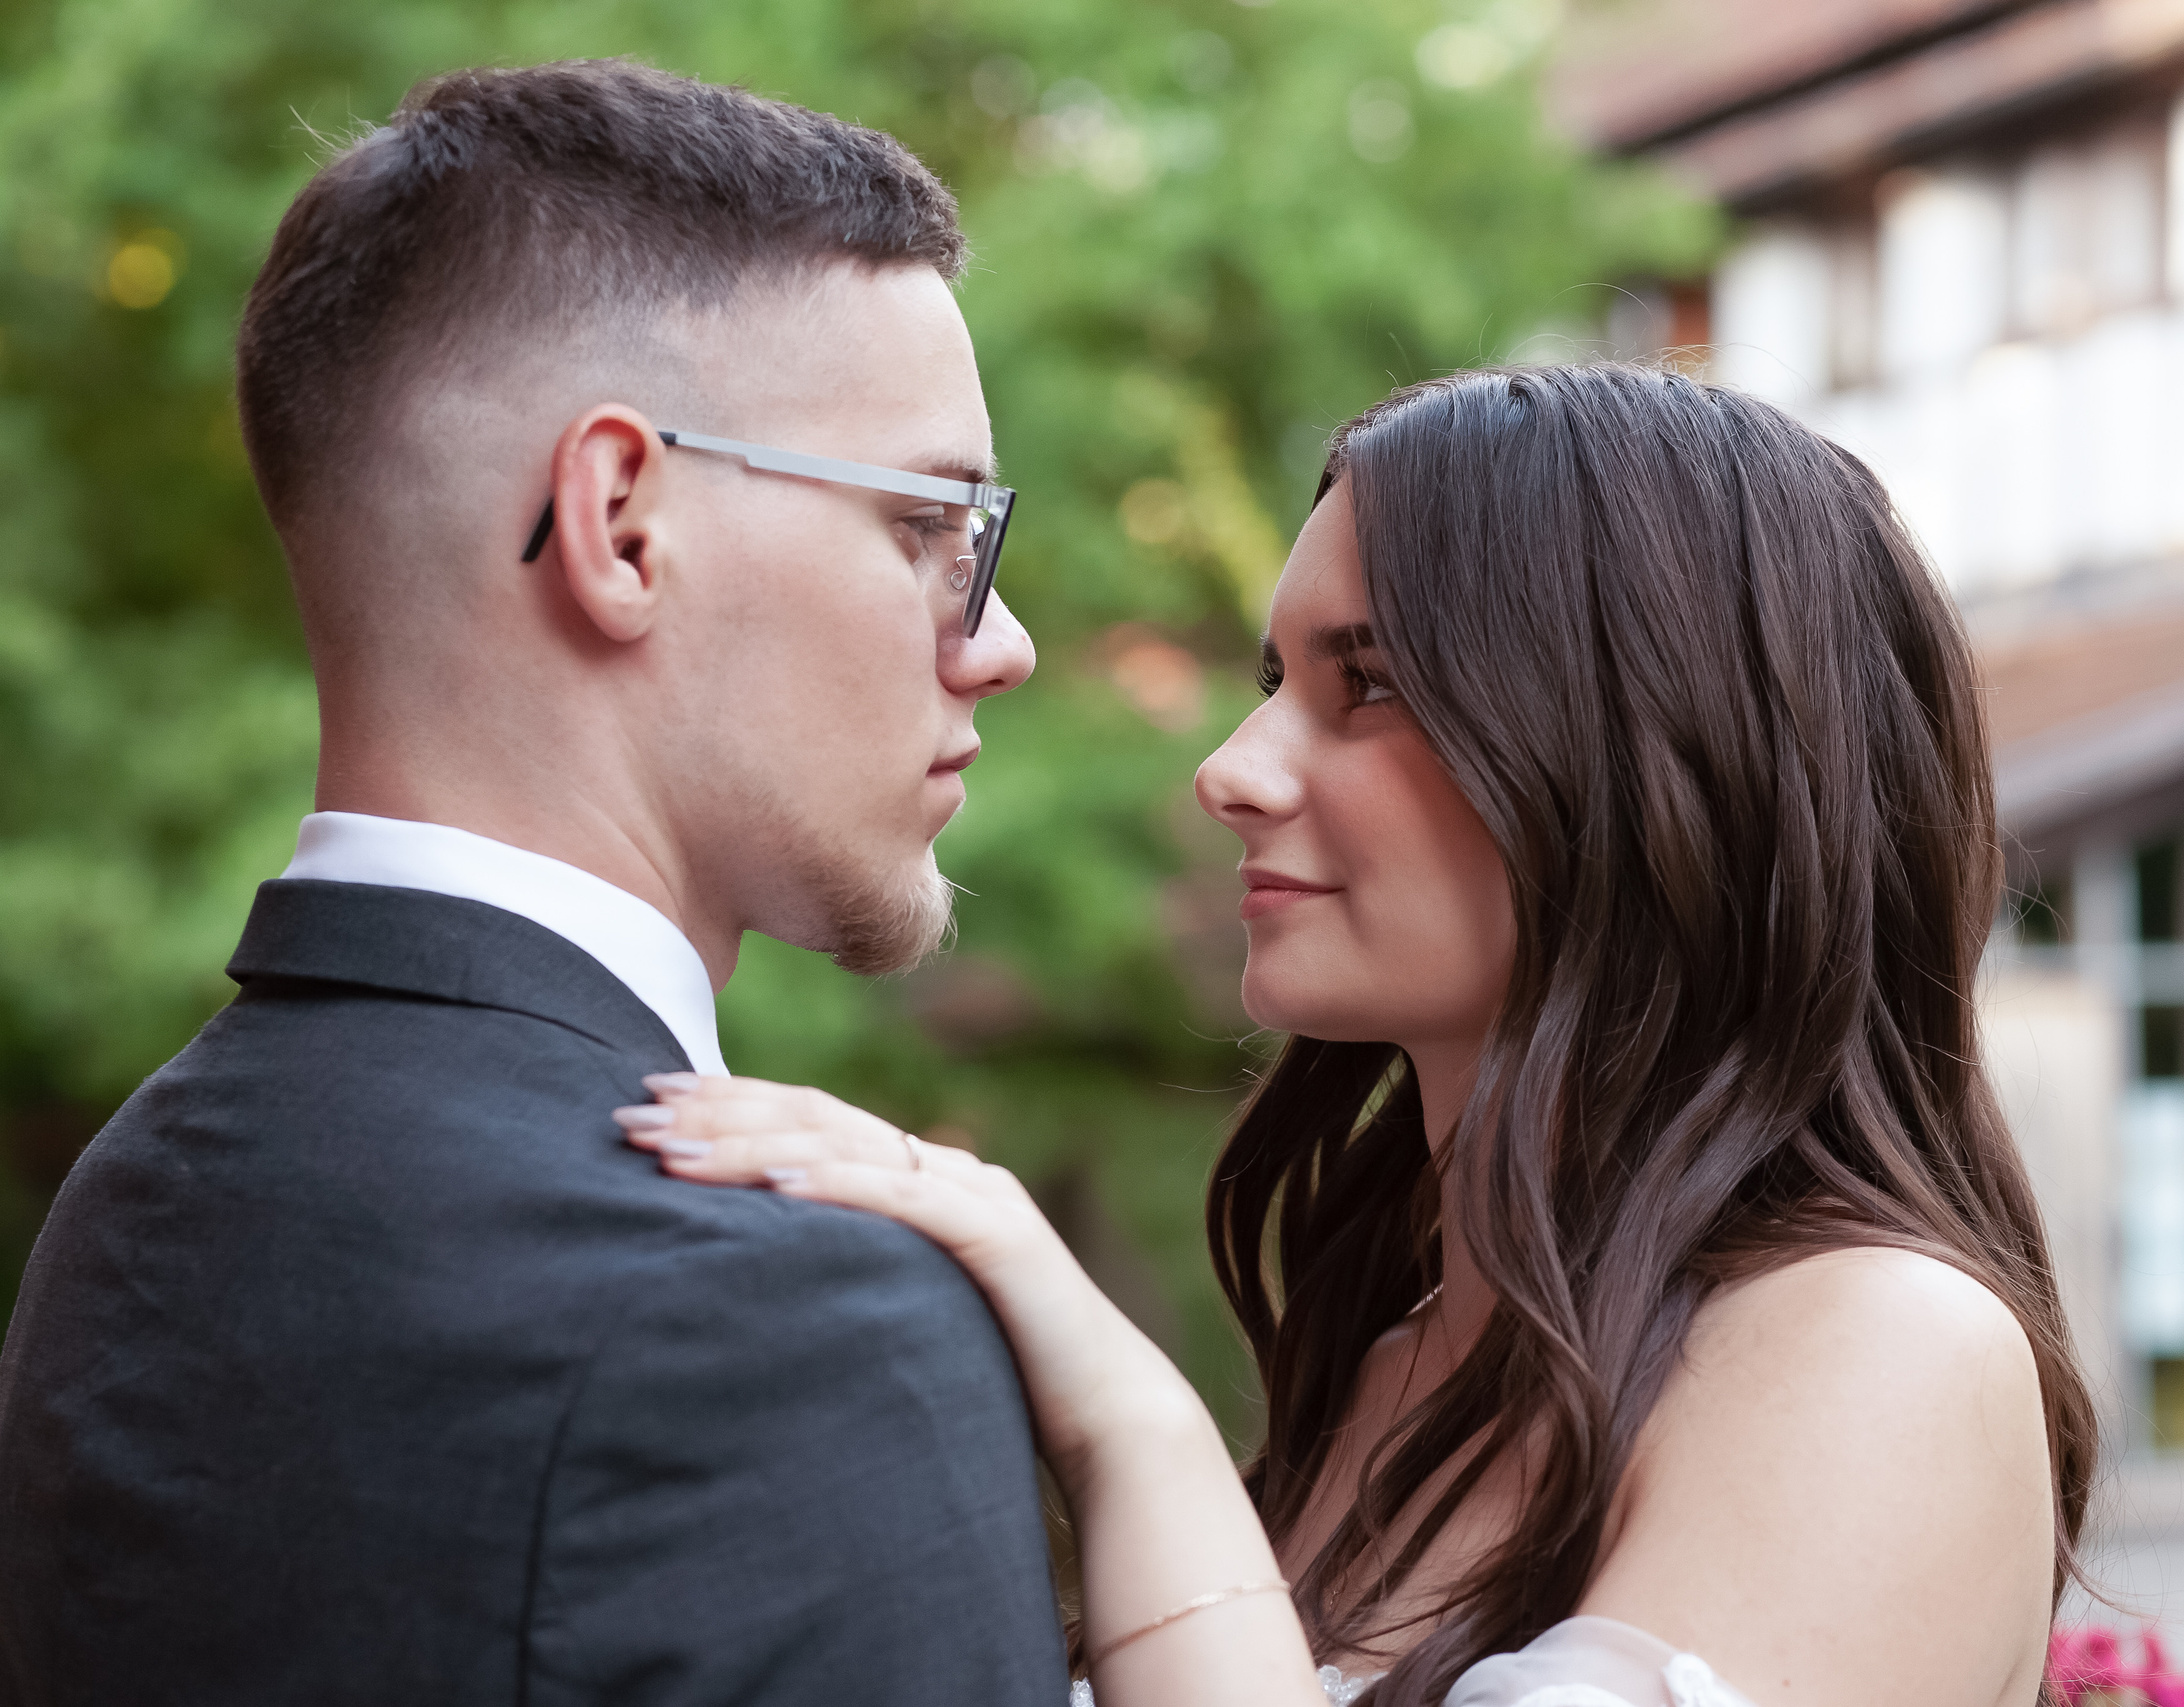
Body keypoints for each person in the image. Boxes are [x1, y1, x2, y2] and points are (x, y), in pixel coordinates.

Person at [620, 365, 2102, 1707]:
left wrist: (1125, 1413)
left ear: (1660, 756)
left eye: (1370, 684)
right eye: (1280, 683)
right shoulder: (1394, 1365)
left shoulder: (1882, 1343)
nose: (1233, 771)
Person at [0, 60, 1064, 1705]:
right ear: (623, 523)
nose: (998, 642)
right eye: (934, 526)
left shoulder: (127, 1210)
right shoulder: (784, 1330)